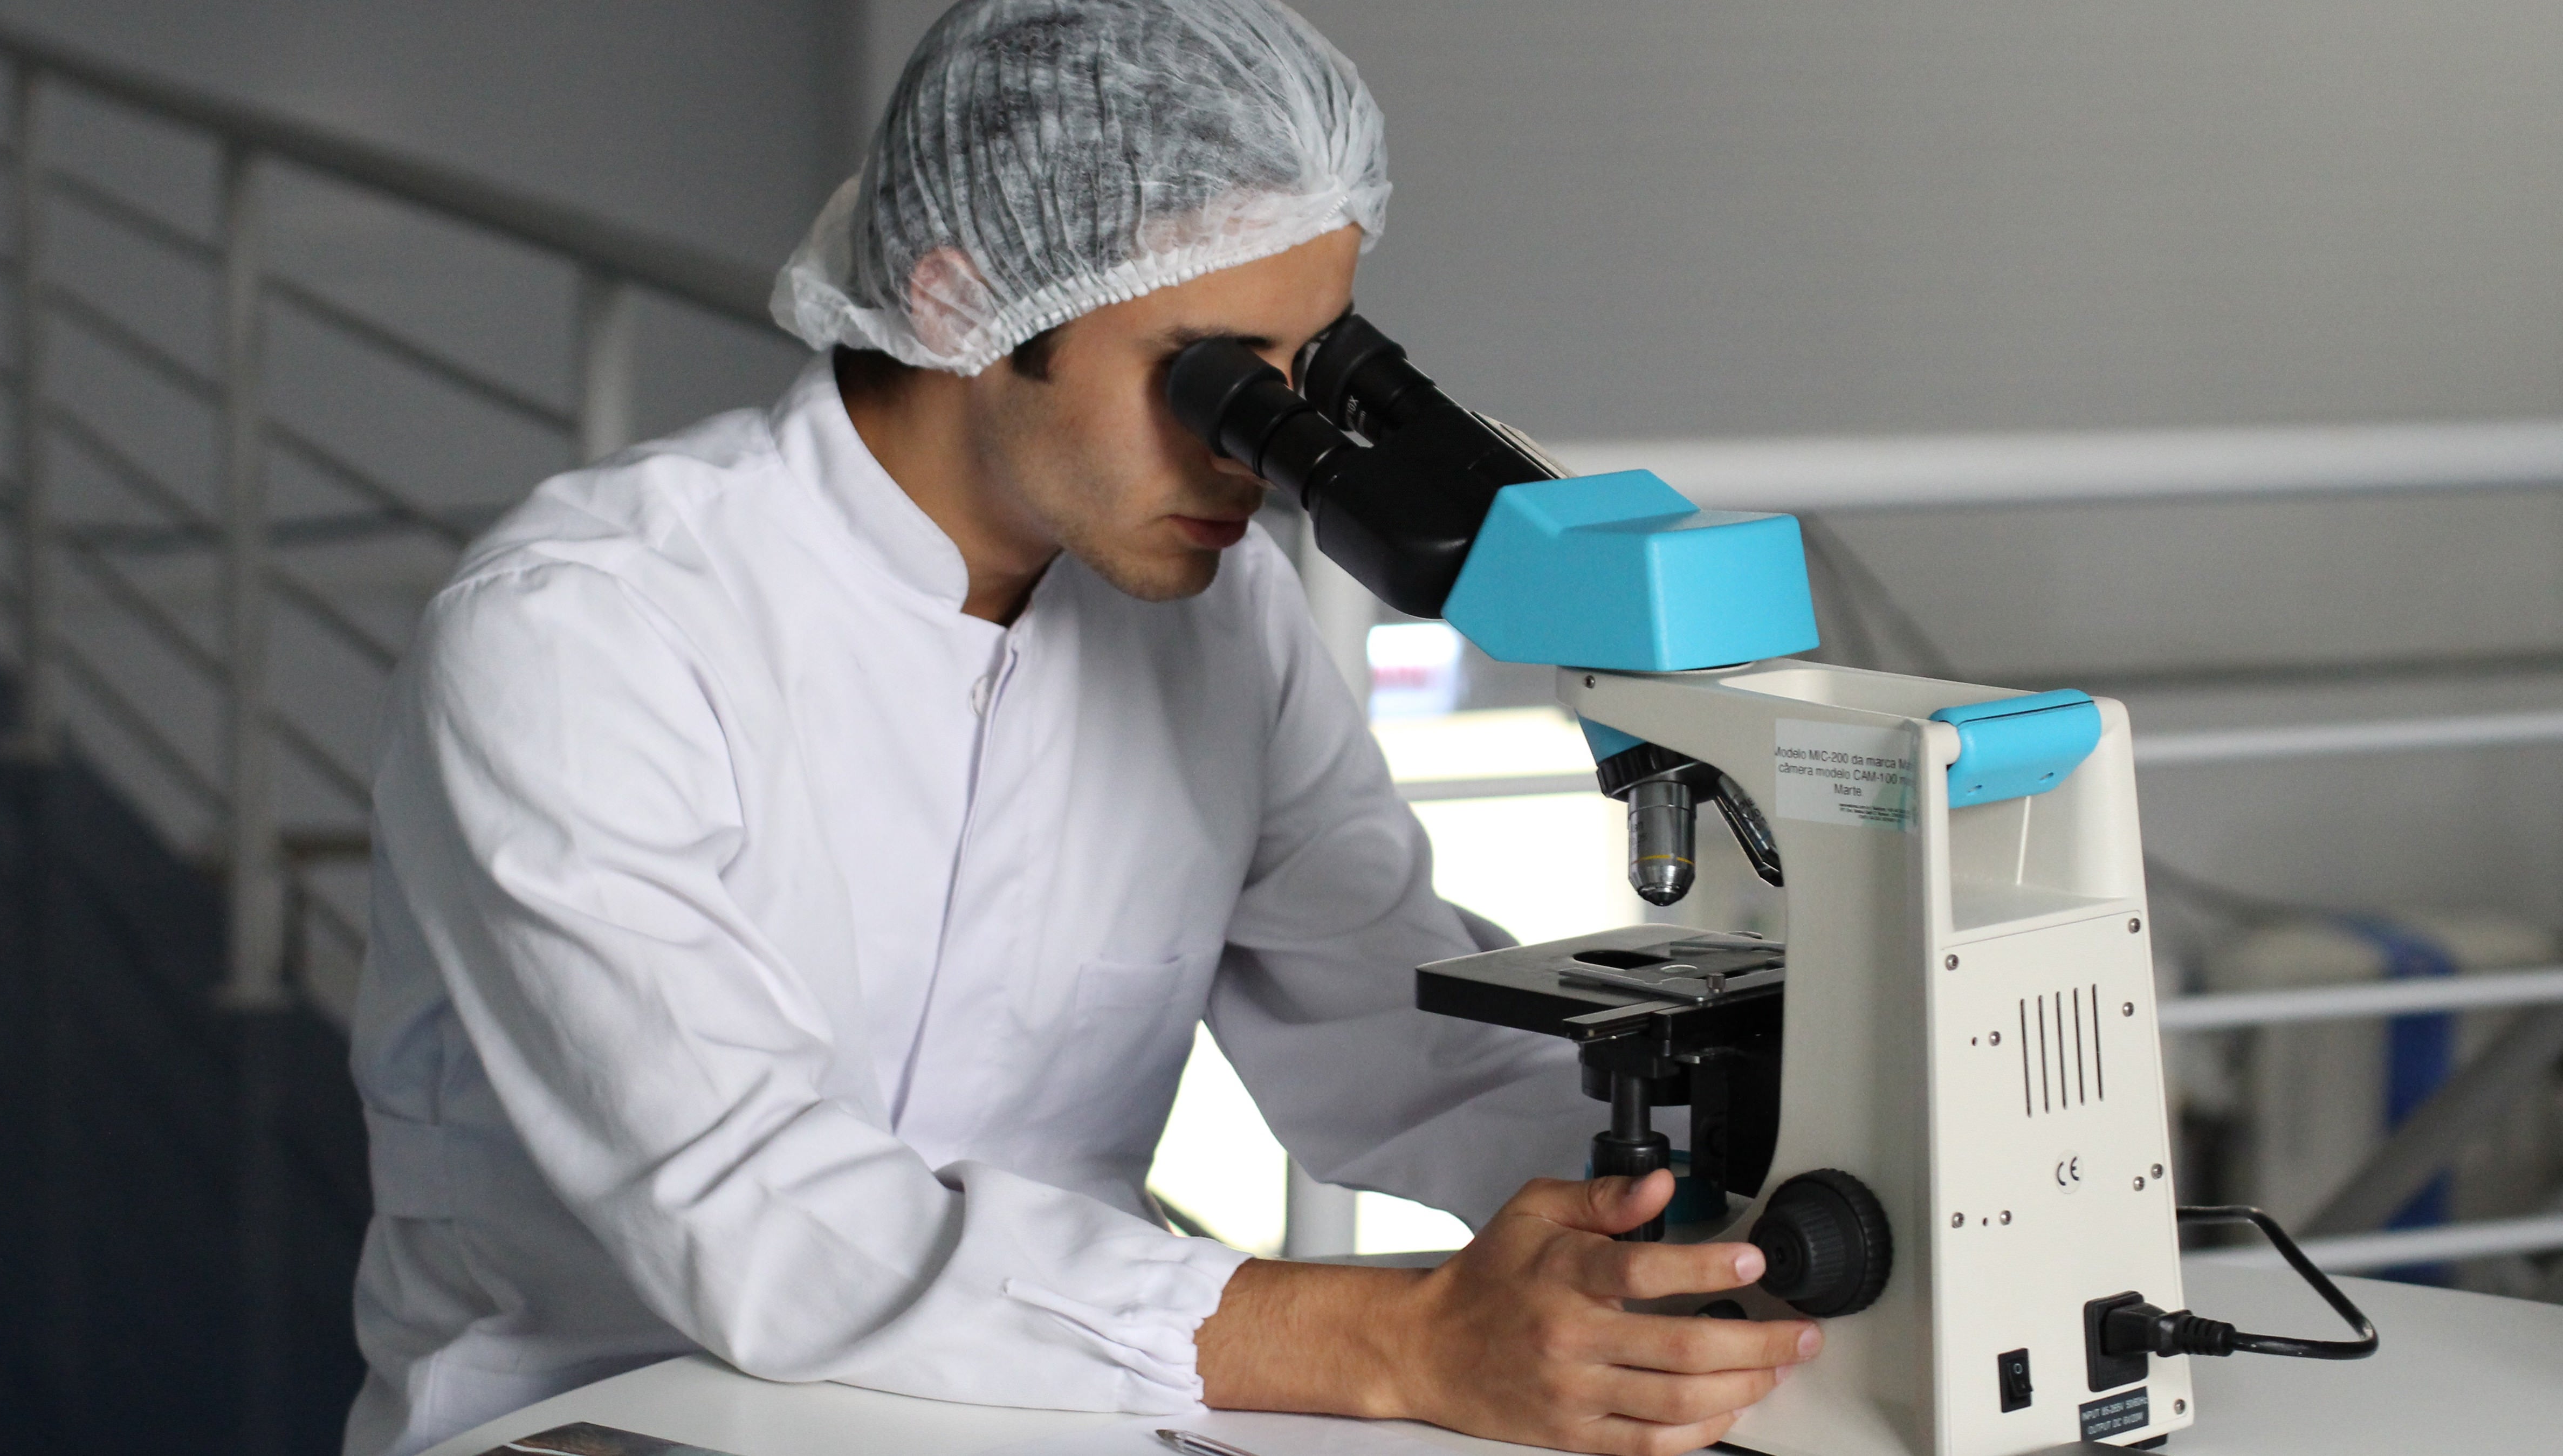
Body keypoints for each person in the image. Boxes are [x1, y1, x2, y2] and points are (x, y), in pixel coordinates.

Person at [343, 4, 1820, 1455]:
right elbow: (748, 1213)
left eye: (1305, 379)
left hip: (1060, 1405)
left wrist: (1707, 1217)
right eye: (1215, 378)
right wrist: (1404, 1341)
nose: (1261, 460)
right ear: (957, 303)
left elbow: (1402, 1038)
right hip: (613, 1410)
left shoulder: (1212, 620)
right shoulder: (588, 631)